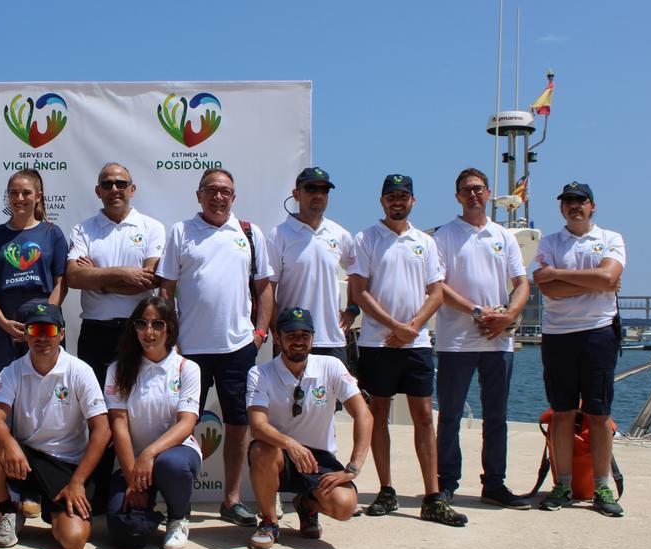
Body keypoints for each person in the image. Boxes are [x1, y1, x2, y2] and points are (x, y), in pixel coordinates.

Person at [347, 173, 466, 526]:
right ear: (381, 201)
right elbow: (359, 291)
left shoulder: (425, 242)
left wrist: (412, 327)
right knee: (379, 414)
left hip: (416, 343)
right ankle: (386, 490)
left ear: (413, 201)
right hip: (377, 343)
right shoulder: (366, 238)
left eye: (403, 196)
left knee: (424, 417)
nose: (397, 201)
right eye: (391, 196)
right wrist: (394, 327)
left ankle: (432, 496)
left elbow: (437, 291)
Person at [158, 168, 274, 527]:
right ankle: (179, 501)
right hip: (189, 349)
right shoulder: (181, 231)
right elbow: (166, 290)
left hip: (238, 347)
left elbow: (264, 288)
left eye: (225, 191)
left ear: (233, 198)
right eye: (211, 190)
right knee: (182, 422)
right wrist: (170, 340)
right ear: (199, 195)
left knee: (238, 422)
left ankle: (232, 499)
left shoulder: (248, 233)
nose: (218, 197)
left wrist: (259, 335)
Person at [0, 302, 109, 549]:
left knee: (74, 541)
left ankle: (51, 510)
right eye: (35, 330)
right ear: (26, 335)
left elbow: (102, 429)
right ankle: (8, 512)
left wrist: (78, 481)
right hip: (26, 461)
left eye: (49, 330)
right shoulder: (12, 371)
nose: (42, 338)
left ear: (61, 334)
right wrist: (11, 445)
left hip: (67, 466)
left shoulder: (80, 371)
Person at [434, 168, 531, 509]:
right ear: (457, 196)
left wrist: (508, 317)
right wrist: (478, 311)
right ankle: (445, 484)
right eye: (465, 190)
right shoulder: (444, 236)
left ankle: (494, 483)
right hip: (455, 342)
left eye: (477, 189)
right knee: (449, 416)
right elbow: (438, 287)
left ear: (488, 193)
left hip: (497, 342)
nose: (472, 194)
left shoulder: (504, 236)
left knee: (497, 417)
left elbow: (522, 284)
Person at [533, 181, 626, 517]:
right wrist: (594, 279)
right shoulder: (549, 242)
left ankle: (602, 486)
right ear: (561, 207)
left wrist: (559, 273)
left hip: (599, 334)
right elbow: (550, 291)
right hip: (559, 336)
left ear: (592, 206)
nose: (574, 206)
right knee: (562, 411)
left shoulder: (610, 239)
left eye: (580, 201)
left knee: (599, 413)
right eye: (568, 201)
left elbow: (609, 277)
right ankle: (563, 484)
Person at [246, 308, 372, 549]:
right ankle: (270, 522)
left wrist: (353, 469)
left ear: (313, 338)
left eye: (305, 334)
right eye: (291, 334)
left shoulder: (332, 366)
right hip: (280, 456)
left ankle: (307, 505)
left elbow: (364, 415)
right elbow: (258, 426)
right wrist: (291, 445)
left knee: (345, 506)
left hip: (320, 460)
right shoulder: (260, 373)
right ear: (278, 337)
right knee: (261, 450)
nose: (299, 340)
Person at [104, 296, 201, 549]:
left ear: (169, 328)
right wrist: (131, 480)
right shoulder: (117, 370)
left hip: (173, 456)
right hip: (131, 464)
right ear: (133, 328)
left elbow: (186, 423)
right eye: (142, 324)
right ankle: (150, 513)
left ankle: (178, 517)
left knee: (172, 465)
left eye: (158, 324)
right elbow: (119, 425)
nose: (149, 332)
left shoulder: (187, 368)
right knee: (127, 536)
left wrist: (149, 453)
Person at [66, 163, 165, 387]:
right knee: (97, 407)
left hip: (138, 330)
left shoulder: (152, 227)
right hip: (95, 331)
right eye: (107, 184)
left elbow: (149, 280)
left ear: (132, 189)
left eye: (121, 183)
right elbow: (74, 277)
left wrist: (99, 282)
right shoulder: (83, 229)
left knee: (136, 405)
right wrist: (124, 273)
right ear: (98, 191)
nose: (114, 189)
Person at [0, 169, 68, 375]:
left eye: (26, 193)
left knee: (46, 383)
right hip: (2, 320)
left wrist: (42, 320)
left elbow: (62, 283)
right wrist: (3, 322)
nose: (19, 198)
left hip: (43, 321)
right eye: (13, 193)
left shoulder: (52, 233)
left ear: (38, 196)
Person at [267, 167, 358, 365]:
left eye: (324, 190)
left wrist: (352, 308)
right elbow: (268, 289)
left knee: (334, 397)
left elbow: (357, 275)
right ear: (296, 194)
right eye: (311, 188)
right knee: (288, 396)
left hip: (332, 338)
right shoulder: (279, 235)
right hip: (292, 337)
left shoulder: (340, 234)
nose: (318, 194)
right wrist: (277, 329)